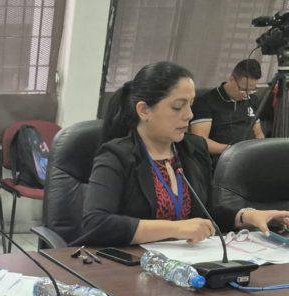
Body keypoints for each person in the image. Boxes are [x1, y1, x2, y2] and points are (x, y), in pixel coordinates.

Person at [81, 61, 289, 247]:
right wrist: (176, 229)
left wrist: (247, 215)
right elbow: (96, 223)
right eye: (178, 107)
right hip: (130, 266)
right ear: (144, 110)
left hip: (186, 263)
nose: (189, 115)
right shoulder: (116, 155)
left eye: (191, 104)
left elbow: (206, 213)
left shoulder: (194, 149)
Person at [190, 59, 265, 160]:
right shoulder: (206, 102)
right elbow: (199, 140)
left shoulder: (252, 99)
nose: (247, 95)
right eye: (243, 90)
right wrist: (233, 150)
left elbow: (258, 133)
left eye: (252, 90)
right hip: (224, 158)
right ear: (232, 78)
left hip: (251, 156)